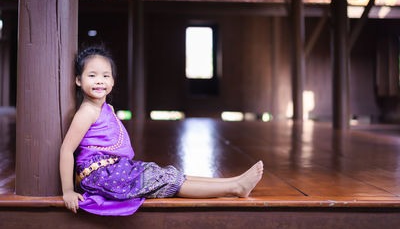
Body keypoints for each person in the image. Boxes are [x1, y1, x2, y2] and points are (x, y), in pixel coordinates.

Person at [59, 46, 264, 216]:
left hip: (114, 169)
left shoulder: (104, 108)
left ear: (112, 81)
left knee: (168, 174)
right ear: (79, 80)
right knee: (164, 179)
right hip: (101, 176)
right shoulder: (86, 112)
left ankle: (234, 182)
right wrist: (68, 191)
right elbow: (67, 150)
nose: (99, 81)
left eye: (105, 75)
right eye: (92, 75)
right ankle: (235, 187)